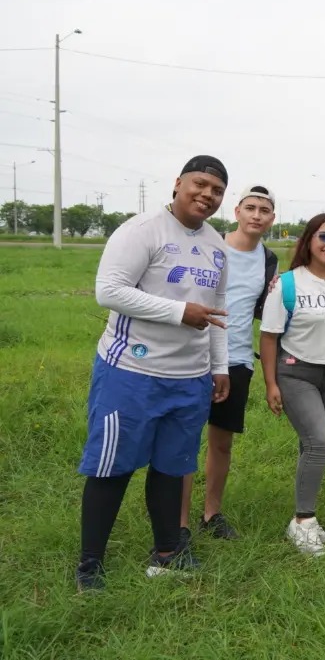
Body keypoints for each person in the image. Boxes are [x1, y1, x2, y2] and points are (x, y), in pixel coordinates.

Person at [75, 155, 231, 591]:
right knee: (112, 468)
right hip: (131, 370)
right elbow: (108, 291)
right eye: (200, 184)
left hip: (190, 379)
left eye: (217, 190)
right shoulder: (142, 230)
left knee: (172, 466)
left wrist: (218, 367)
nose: (207, 195)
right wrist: (179, 312)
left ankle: (168, 553)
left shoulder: (218, 246)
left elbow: (219, 312)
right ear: (179, 183)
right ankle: (90, 565)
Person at [260, 214, 325, 556]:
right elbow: (269, 336)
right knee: (320, 442)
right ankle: (303, 521)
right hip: (296, 372)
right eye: (324, 237)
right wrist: (271, 383)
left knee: (313, 445)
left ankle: (305, 519)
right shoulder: (287, 284)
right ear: (309, 240)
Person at [180, 184, 278, 543]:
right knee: (185, 440)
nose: (256, 215)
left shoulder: (269, 260)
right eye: (250, 207)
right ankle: (179, 522)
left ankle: (211, 514)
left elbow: (260, 312)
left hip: (236, 359)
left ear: (271, 219)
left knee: (221, 443)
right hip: (192, 355)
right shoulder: (210, 244)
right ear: (236, 211)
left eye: (263, 210)